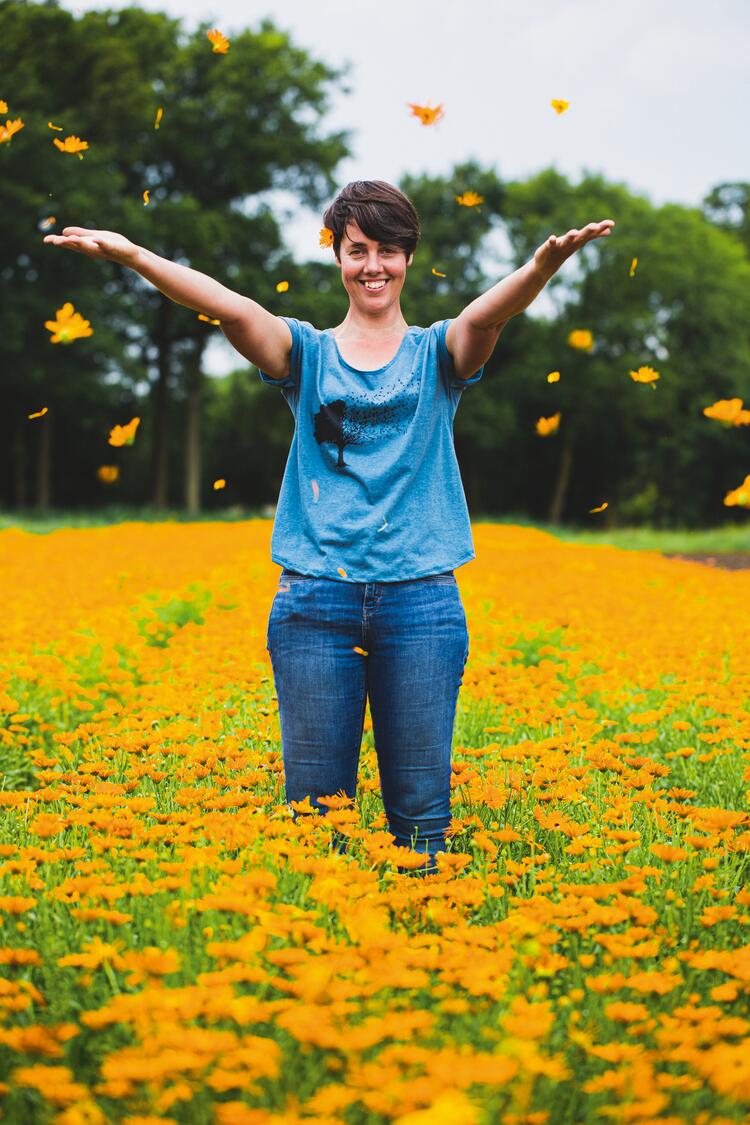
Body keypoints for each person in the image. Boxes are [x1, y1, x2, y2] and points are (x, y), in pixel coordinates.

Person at [44, 181, 614, 875]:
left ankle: (421, 962)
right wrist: (134, 255)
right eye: (357, 250)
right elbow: (224, 303)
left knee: (423, 823)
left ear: (409, 257)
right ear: (339, 258)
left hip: (421, 604)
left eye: (388, 250)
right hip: (315, 603)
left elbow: (485, 319)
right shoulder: (304, 355)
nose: (373, 265)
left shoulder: (439, 356)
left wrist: (540, 268)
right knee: (315, 826)